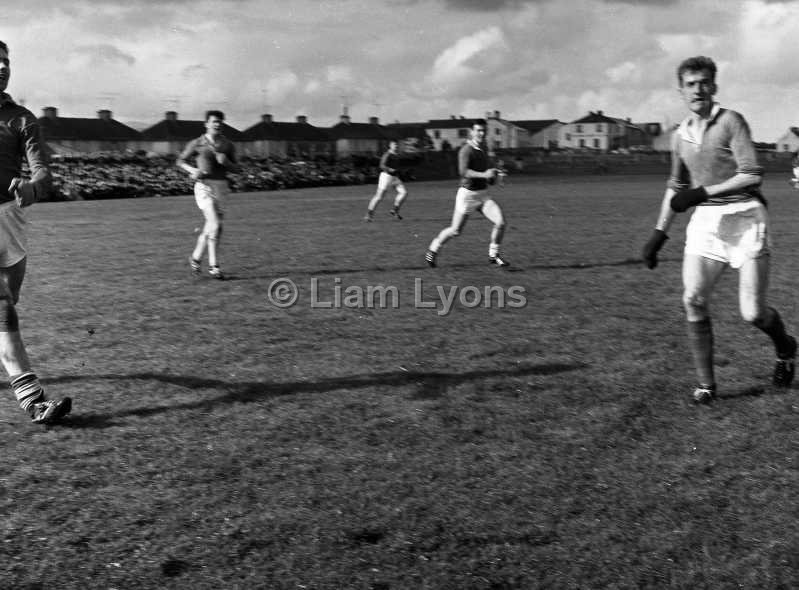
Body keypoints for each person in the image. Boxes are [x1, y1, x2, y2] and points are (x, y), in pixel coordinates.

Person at [642, 55, 796, 404]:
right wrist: (659, 234)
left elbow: (751, 173)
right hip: (707, 225)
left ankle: (786, 348)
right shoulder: (680, 136)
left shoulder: (731, 122)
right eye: (690, 84)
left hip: (745, 217)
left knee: (752, 313)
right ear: (681, 90)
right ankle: (706, 385)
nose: (698, 90)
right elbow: (675, 185)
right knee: (693, 298)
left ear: (714, 86)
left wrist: (703, 192)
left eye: (704, 83)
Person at [0, 41, 71, 424]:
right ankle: (33, 400)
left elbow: (42, 169)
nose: (0, 66)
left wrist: (32, 185)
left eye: (6, 61)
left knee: (10, 300)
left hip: (10, 219)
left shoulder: (23, 118)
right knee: (3, 310)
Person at [425, 119, 508, 267]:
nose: (481, 133)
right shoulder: (466, 150)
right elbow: (463, 172)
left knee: (500, 222)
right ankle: (433, 249)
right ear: (472, 132)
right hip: (467, 195)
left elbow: (488, 175)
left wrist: (494, 176)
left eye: (483, 130)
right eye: (478, 130)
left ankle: (493, 255)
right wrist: (485, 175)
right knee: (455, 231)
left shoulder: (484, 150)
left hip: (482, 195)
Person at [177, 110, 238, 280]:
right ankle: (214, 266)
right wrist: (192, 170)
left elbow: (237, 168)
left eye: (220, 122)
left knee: (214, 227)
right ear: (206, 124)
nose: (217, 124)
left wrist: (227, 163)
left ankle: (195, 258)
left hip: (222, 187)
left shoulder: (228, 145)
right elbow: (180, 161)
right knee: (215, 223)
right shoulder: (197, 143)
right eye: (214, 121)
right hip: (204, 186)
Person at [363, 140, 408, 221]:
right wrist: (389, 169)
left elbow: (397, 166)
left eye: (397, 144)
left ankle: (395, 210)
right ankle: (368, 215)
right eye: (394, 145)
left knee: (404, 193)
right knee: (379, 197)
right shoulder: (387, 154)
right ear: (390, 146)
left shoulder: (397, 155)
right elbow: (382, 165)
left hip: (394, 178)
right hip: (386, 177)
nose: (396, 146)